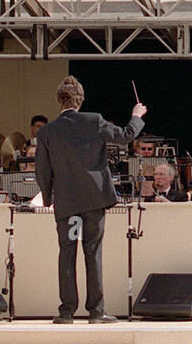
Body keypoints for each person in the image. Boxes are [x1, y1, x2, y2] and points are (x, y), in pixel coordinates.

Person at [35, 76, 146, 324]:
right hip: (94, 199)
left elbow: (42, 169)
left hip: (65, 202)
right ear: (80, 99)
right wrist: (137, 115)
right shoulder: (94, 121)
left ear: (58, 101)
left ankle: (66, 311)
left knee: (67, 253)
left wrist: (47, 197)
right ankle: (96, 312)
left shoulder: (46, 132)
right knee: (92, 253)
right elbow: (126, 135)